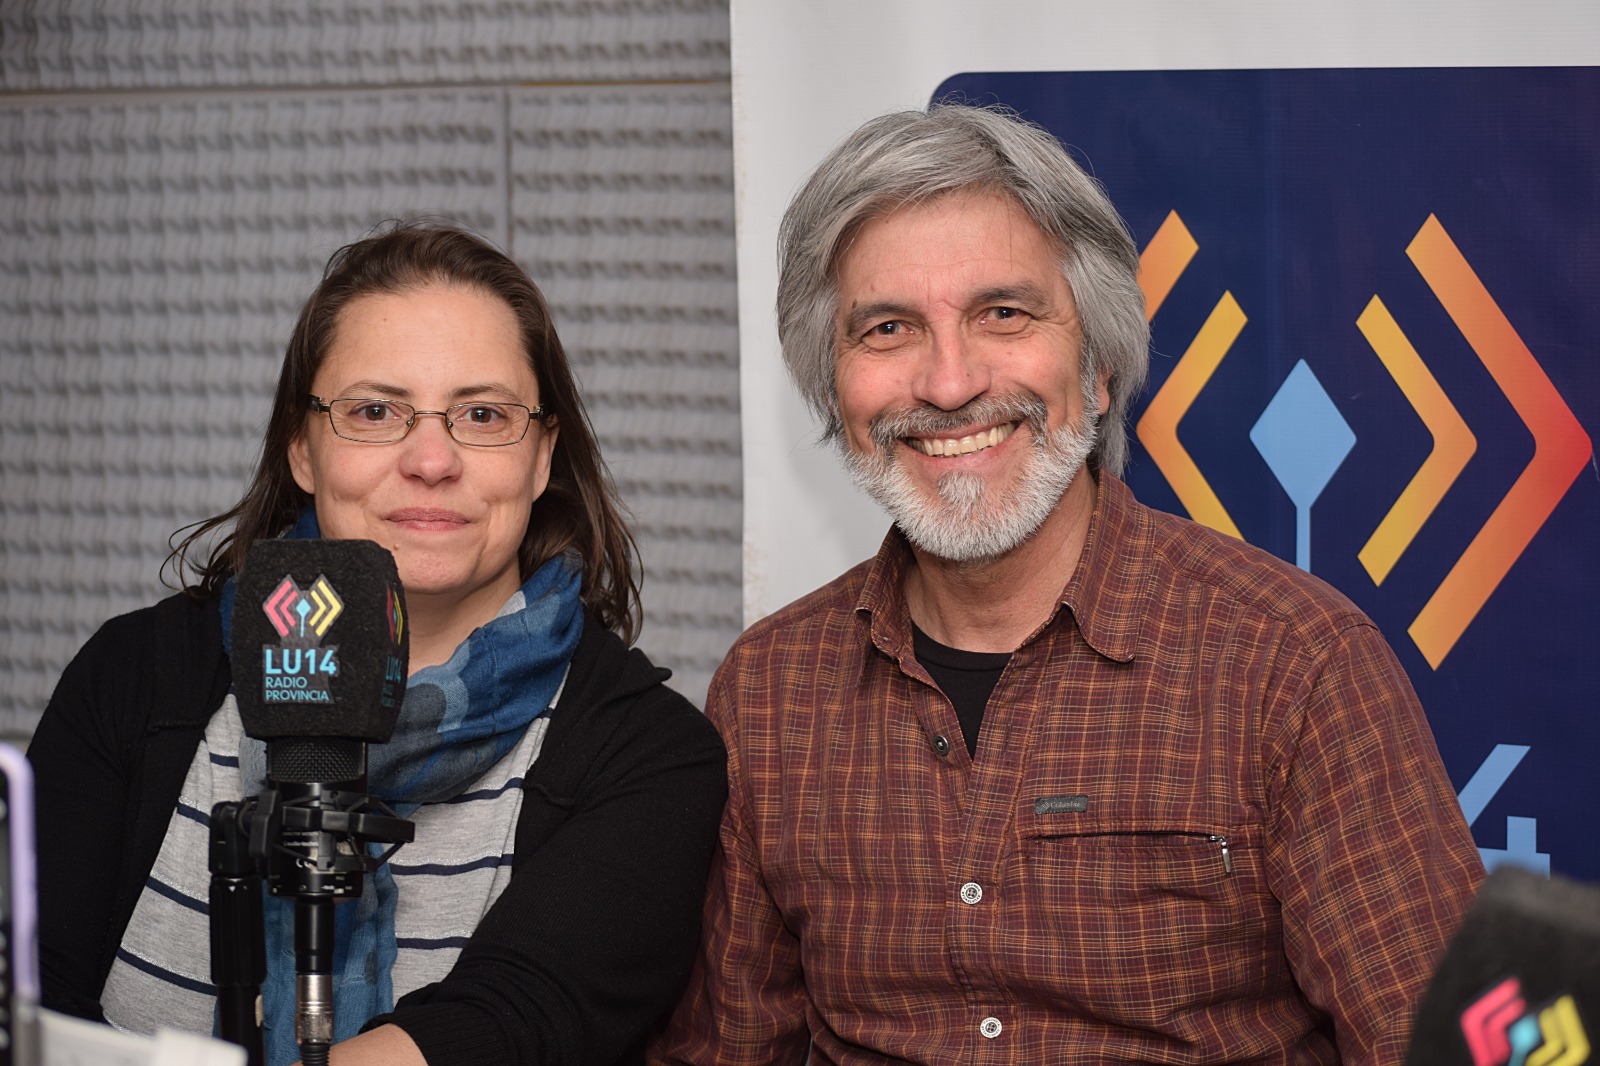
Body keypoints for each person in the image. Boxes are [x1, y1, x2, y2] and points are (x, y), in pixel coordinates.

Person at [650, 105, 1484, 1064]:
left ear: (1096, 370)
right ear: (833, 388)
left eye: (1003, 314)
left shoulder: (1293, 667)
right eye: (888, 328)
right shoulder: (771, 689)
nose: (951, 382)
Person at [30, 221, 728, 1066]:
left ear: (543, 456)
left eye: (481, 414)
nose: (431, 459)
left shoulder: (651, 758)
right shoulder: (132, 678)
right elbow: (32, 1004)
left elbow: (511, 1025)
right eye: (373, 411)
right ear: (302, 446)